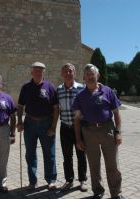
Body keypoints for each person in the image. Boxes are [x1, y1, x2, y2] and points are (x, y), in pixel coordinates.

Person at [72, 64, 123, 199]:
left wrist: (118, 132)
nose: (90, 77)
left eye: (92, 74)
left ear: (98, 76)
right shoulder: (80, 96)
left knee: (112, 164)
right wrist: (78, 139)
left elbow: (116, 114)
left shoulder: (108, 91)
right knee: (94, 166)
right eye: (87, 75)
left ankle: (116, 193)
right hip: (89, 131)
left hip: (107, 130)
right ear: (83, 77)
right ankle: (98, 192)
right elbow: (76, 119)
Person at [17, 62, 59, 190]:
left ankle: (51, 180)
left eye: (40, 70)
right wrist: (19, 121)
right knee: (30, 153)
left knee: (49, 153)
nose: (38, 72)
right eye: (36, 70)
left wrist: (53, 126)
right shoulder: (26, 87)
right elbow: (20, 106)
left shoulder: (50, 87)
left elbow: (56, 108)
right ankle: (32, 181)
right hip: (29, 123)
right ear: (31, 72)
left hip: (47, 122)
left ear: (44, 72)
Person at [57, 63, 88, 192]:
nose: (68, 74)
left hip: (80, 128)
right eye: (65, 71)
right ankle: (69, 180)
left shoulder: (82, 88)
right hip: (65, 127)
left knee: (81, 154)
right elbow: (55, 108)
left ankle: (82, 181)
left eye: (70, 71)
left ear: (74, 73)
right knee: (67, 156)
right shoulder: (58, 90)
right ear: (62, 74)